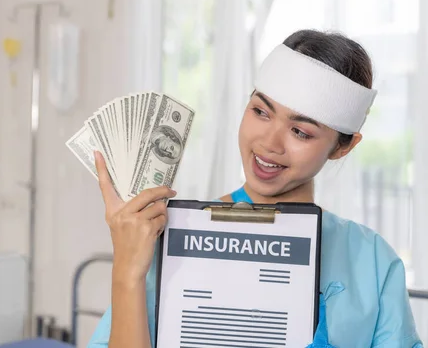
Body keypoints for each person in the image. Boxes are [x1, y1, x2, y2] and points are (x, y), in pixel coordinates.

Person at [87, 30, 424, 348]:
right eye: (261, 112)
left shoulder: (372, 262)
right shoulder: (172, 236)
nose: (268, 143)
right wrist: (128, 273)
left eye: (301, 132)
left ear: (342, 147)